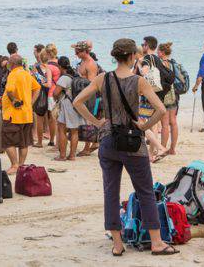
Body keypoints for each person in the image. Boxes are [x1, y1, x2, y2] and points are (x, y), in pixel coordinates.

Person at [71, 38, 177, 256]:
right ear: (131, 57)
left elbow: (77, 101)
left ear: (114, 56)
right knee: (145, 190)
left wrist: (97, 122)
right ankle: (156, 242)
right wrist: (145, 125)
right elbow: (160, 109)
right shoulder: (138, 81)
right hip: (132, 140)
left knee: (110, 191)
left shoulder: (103, 78)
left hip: (109, 139)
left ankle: (117, 244)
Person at [1, 54, 40, 174]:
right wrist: (31, 103)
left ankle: (14, 165)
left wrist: (13, 100)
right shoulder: (26, 73)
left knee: (8, 141)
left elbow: (9, 90)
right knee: (23, 142)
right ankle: (21, 165)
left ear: (12, 64)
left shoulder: (13, 74)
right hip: (27, 114)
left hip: (13, 114)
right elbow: (37, 88)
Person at [54, 56, 86, 161]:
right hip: (76, 104)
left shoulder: (64, 78)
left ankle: (62, 156)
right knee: (74, 131)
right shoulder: (75, 75)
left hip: (67, 105)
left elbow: (55, 93)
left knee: (61, 129)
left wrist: (56, 100)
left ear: (59, 66)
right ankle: (72, 156)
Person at [158, 42, 179, 154]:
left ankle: (163, 148)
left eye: (158, 51)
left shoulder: (160, 64)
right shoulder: (173, 63)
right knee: (173, 122)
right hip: (174, 94)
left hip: (164, 94)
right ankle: (172, 149)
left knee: (164, 124)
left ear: (161, 52)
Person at [32, 49, 54, 148]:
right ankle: (52, 140)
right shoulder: (53, 68)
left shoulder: (36, 68)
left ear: (40, 57)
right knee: (52, 118)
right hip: (51, 94)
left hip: (40, 93)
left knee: (39, 119)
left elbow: (34, 82)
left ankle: (40, 142)